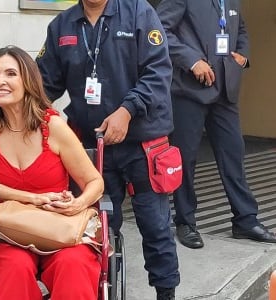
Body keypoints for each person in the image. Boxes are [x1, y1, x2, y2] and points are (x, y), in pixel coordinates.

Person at [36, 0, 180, 298]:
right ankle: (97, 289)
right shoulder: (62, 25)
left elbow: (158, 73)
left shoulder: (139, 13)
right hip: (90, 147)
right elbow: (44, 84)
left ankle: (166, 293)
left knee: (156, 227)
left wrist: (127, 110)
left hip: (143, 145)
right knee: (93, 229)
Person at [0, 45, 104, 300]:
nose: (0, 81)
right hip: (11, 227)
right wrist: (29, 198)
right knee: (13, 268)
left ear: (28, 81)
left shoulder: (52, 125)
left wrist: (78, 204)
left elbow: (94, 181)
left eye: (11, 73)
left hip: (57, 224)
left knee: (74, 265)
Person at [156, 0, 276, 249]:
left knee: (234, 153)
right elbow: (159, 31)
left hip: (225, 90)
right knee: (186, 158)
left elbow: (240, 29)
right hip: (189, 89)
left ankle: (245, 220)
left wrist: (242, 57)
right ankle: (185, 221)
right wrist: (191, 60)